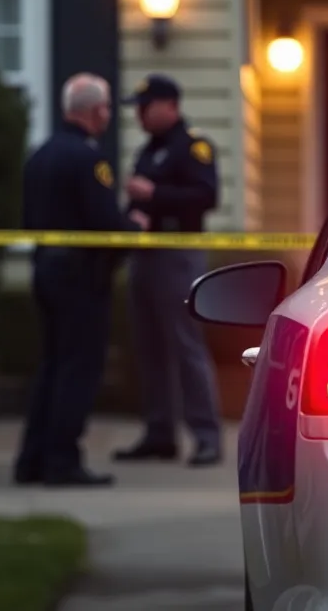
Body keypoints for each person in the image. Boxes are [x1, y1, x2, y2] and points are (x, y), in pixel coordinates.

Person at [13, 73, 146, 487]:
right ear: (93, 111)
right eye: (106, 107)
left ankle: (32, 459)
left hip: (46, 270)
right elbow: (104, 222)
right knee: (78, 370)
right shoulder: (89, 160)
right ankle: (62, 461)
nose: (108, 115)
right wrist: (135, 229)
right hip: (80, 278)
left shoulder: (40, 155)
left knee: (52, 367)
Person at [112, 74, 224, 467]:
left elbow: (207, 196)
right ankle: (159, 434)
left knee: (185, 344)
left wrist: (154, 195)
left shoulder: (193, 146)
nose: (139, 115)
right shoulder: (148, 151)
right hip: (146, 254)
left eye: (145, 106)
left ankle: (207, 436)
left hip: (179, 253)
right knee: (149, 347)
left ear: (168, 105)